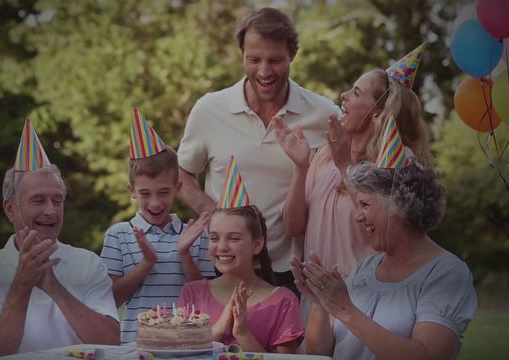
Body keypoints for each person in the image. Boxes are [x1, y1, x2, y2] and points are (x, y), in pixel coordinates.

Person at [177, 7, 340, 291]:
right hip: (220, 267)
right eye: (253, 59)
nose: (264, 71)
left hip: (291, 272)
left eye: (275, 60)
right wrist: (215, 212)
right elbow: (180, 174)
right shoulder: (209, 109)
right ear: (241, 54)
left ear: (293, 54)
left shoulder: (323, 114)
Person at [274, 44, 433, 280]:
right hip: (317, 296)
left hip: (365, 296)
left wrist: (344, 166)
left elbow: (391, 229)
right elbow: (293, 227)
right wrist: (301, 166)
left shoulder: (399, 161)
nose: (343, 95)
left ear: (377, 112)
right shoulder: (324, 156)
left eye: (356, 93)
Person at [291, 162, 478, 359]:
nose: (357, 217)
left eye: (365, 205)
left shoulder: (446, 273)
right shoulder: (365, 268)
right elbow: (318, 352)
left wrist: (345, 309)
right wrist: (321, 301)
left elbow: (428, 355)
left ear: (400, 206)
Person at [0, 121, 119, 358]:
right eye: (38, 200)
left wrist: (55, 288)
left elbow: (111, 340)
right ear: (10, 209)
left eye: (57, 201)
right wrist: (23, 282)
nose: (51, 211)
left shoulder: (88, 263)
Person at [100, 108, 215, 344]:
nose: (154, 203)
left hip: (187, 345)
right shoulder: (118, 235)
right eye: (145, 193)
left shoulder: (196, 235)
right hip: (136, 345)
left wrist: (184, 253)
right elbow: (110, 300)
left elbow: (206, 299)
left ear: (178, 187)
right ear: (131, 191)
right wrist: (147, 263)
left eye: (163, 192)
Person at [178, 205, 303, 353]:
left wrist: (243, 334)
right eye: (214, 238)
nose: (222, 246)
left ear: (257, 245)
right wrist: (217, 331)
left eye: (234, 238)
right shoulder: (192, 292)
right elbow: (178, 352)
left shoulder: (283, 300)